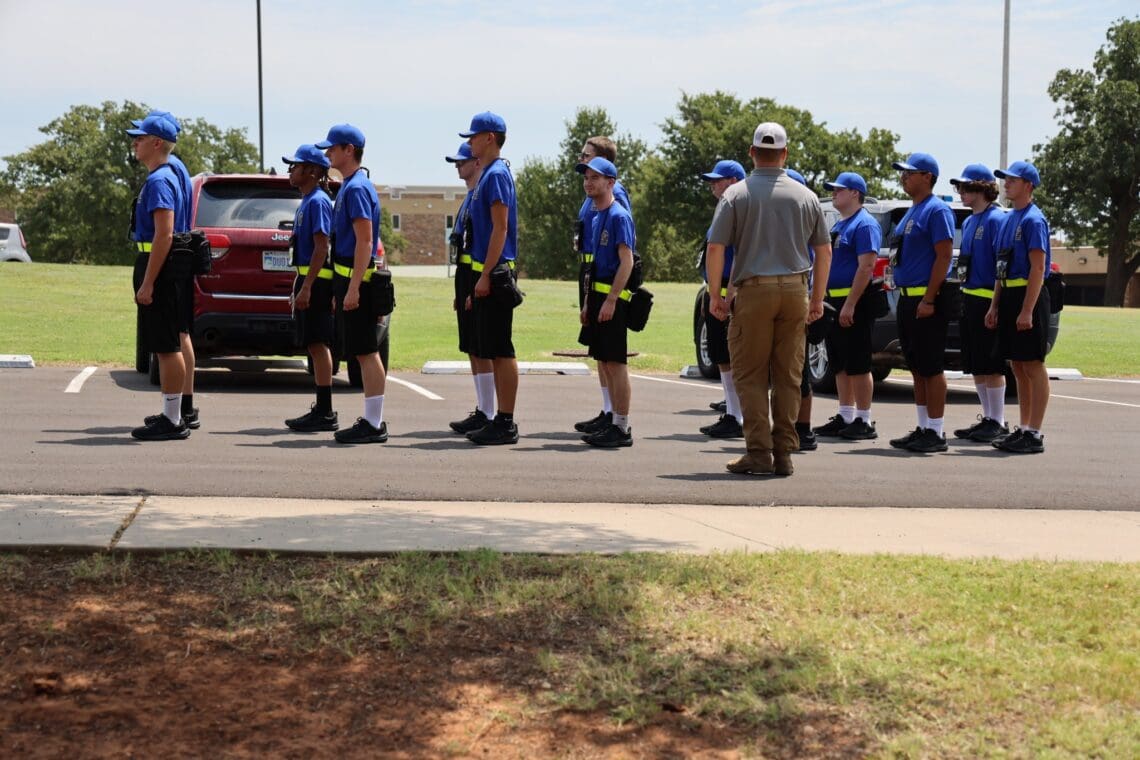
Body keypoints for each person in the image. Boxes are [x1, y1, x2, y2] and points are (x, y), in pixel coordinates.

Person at [707, 122, 831, 477]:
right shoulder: (806, 197)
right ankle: (785, 453)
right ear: (785, 154)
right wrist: (817, 299)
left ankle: (759, 453)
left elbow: (716, 247)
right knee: (789, 375)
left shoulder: (736, 195)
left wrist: (716, 295)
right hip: (795, 290)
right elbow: (824, 251)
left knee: (751, 375)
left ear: (752, 153)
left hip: (753, 289)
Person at [316, 124, 389, 444]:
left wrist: (355, 287)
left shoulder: (357, 188)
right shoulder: (350, 185)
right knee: (360, 351)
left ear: (349, 150)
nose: (328, 153)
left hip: (358, 282)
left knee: (366, 351)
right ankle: (371, 421)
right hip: (346, 280)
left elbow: (365, 241)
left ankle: (373, 423)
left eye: (332, 148)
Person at [134, 110, 200, 431]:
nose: (135, 143)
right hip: (167, 265)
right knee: (173, 339)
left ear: (157, 142)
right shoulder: (171, 174)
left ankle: (173, 418)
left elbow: (165, 233)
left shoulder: (161, 179)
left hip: (159, 265)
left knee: (167, 345)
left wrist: (147, 282)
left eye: (141, 137)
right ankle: (176, 411)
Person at [886, 152, 955, 454]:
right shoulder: (913, 211)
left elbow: (943, 256)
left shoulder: (936, 210)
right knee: (915, 367)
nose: (904, 177)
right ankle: (923, 426)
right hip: (907, 299)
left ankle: (936, 432)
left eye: (910, 173)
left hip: (926, 300)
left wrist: (929, 298)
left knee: (931, 367)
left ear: (927, 176)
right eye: (903, 173)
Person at [461, 111, 520, 445]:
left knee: (501, 349)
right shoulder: (488, 174)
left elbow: (502, 228)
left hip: (495, 272)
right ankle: (498, 417)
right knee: (492, 347)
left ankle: (506, 421)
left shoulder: (496, 174)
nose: (469, 141)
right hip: (487, 271)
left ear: (489, 137)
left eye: (474, 135)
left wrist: (485, 276)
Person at [986, 161, 1052, 454]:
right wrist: (995, 304)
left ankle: (1035, 432)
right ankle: (1023, 428)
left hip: (1029, 295)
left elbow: (1038, 268)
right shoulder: (1008, 218)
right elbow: (1001, 268)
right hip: (1010, 295)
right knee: (1018, 365)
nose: (1006, 183)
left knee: (1033, 365)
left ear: (1028, 185)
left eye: (1012, 179)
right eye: (1004, 179)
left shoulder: (1033, 220)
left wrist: (1027, 310)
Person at [812, 171, 881, 441]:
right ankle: (846, 414)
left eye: (839, 189)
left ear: (855, 193)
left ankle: (864, 419)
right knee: (840, 362)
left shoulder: (864, 224)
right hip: (835, 300)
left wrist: (850, 304)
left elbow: (866, 267)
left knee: (859, 363)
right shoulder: (840, 225)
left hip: (855, 301)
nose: (834, 193)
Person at [574, 136, 633, 436]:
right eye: (586, 176)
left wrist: (611, 299)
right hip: (594, 289)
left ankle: (620, 425)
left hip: (611, 292)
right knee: (603, 358)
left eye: (594, 177)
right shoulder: (597, 214)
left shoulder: (617, 212)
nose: (588, 181)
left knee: (615, 360)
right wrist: (587, 301)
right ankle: (610, 416)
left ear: (610, 181)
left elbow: (627, 260)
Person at [949, 164, 1009, 443]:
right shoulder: (970, 221)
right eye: (959, 187)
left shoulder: (997, 219)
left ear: (982, 188)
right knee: (976, 363)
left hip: (987, 299)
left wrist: (995, 306)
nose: (961, 192)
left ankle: (998, 420)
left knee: (992, 364)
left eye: (966, 187)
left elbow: (1001, 267)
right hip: (969, 297)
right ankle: (987, 417)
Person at [281, 144, 337, 432]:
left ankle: (326, 411)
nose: (291, 170)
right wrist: (298, 284)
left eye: (296, 165)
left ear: (313, 171)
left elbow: (321, 247)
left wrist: (308, 287)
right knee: (313, 345)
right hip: (306, 279)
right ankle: (322, 408)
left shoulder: (317, 202)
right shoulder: (307, 201)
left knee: (318, 344)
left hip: (318, 283)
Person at [446, 143, 497, 435]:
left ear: (476, 162)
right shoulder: (469, 195)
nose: (457, 166)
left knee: (481, 345)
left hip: (477, 272)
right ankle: (483, 408)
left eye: (461, 161)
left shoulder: (481, 193)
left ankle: (489, 412)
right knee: (470, 345)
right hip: (465, 273)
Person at [697, 160, 747, 439]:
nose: (712, 185)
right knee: (721, 355)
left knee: (734, 354)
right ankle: (732, 411)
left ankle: (738, 415)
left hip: (731, 288)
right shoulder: (723, 208)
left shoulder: (739, 209)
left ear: (733, 181)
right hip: (717, 287)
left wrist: (728, 294)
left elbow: (739, 255)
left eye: (718, 180)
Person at [785, 168, 819, 452]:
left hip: (798, 301)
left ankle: (803, 428)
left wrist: (814, 301)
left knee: (800, 370)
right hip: (791, 300)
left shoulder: (802, 227)